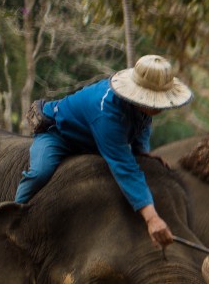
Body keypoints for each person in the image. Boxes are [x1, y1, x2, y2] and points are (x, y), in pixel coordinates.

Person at [16, 54, 191, 247]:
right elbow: (124, 167)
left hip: (93, 140)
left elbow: (142, 124)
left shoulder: (142, 108)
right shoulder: (107, 112)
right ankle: (13, 214)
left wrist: (142, 151)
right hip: (59, 134)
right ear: (139, 94)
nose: (159, 107)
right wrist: (152, 218)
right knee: (40, 172)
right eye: (154, 101)